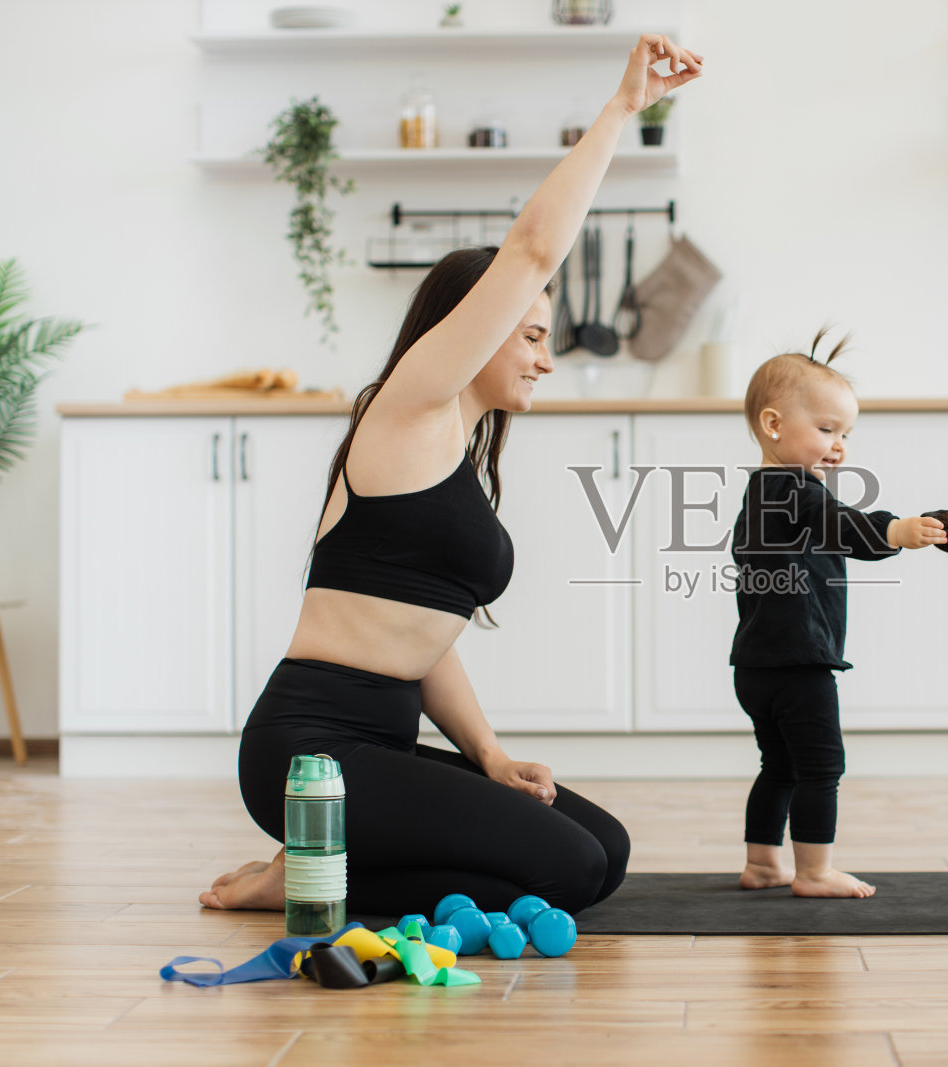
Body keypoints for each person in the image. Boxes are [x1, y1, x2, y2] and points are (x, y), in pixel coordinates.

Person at [200, 34, 704, 918]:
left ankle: (322, 858)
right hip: (309, 747)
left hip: (381, 747)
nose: (544, 358)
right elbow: (534, 252)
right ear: (475, 328)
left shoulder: (458, 457)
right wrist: (624, 108)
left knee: (606, 849)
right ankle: (308, 871)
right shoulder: (407, 414)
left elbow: (429, 641)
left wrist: (489, 756)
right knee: (571, 872)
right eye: (532, 335)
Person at [729, 331, 946, 899]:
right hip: (801, 664)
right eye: (826, 429)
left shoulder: (760, 492)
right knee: (822, 767)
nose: (839, 446)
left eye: (845, 433)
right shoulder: (795, 490)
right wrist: (895, 531)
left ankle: (762, 864)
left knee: (778, 765)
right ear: (774, 425)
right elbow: (841, 525)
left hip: (755, 667)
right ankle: (814, 872)